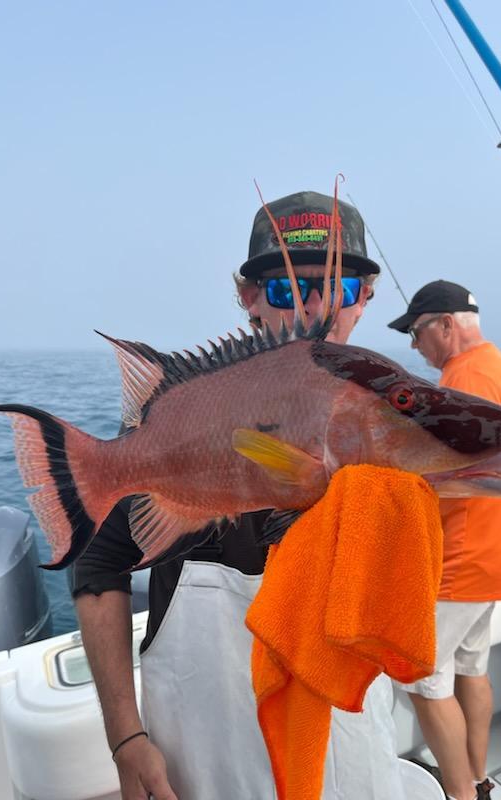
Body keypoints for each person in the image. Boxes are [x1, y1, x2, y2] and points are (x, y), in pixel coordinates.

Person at [73, 191, 408, 800]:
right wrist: (125, 738)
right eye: (285, 289)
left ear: (365, 297)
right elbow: (98, 568)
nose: (315, 308)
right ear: (249, 298)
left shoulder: (392, 412)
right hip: (203, 746)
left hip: (347, 733)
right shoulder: (189, 413)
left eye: (337, 289)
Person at [388, 280, 501, 800]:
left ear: (446, 325)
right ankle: (478, 777)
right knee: (471, 668)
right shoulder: (498, 366)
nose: (412, 345)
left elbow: (444, 478)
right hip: (500, 554)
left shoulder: (462, 376)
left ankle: (461, 795)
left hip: (460, 561)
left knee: (423, 685)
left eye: (416, 330)